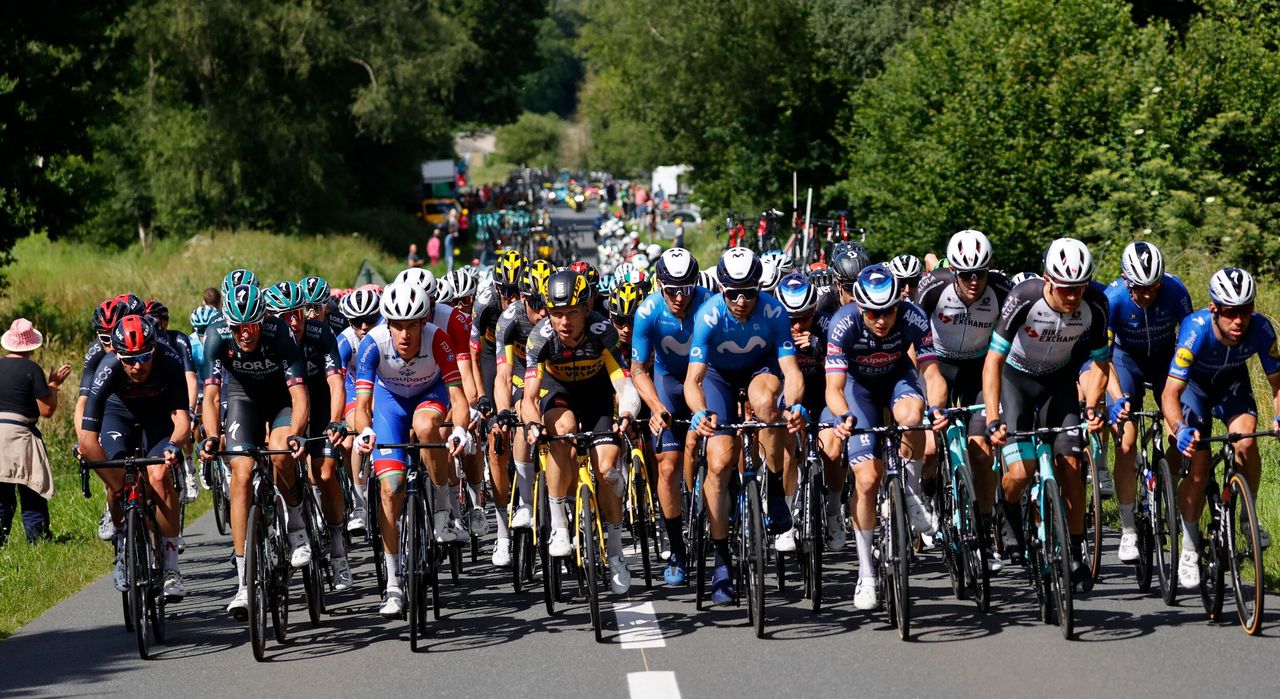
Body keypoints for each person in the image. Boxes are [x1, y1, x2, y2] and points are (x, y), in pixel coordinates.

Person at [985, 238, 1110, 587]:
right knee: (1021, 473)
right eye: (1065, 289)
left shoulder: (1096, 304)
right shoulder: (1024, 297)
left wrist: (1093, 405)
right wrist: (994, 418)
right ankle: (1007, 509)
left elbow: (1101, 365)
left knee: (1071, 465)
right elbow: (993, 361)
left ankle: (1074, 548)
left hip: (1059, 384)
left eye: (1079, 288)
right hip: (1017, 382)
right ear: (1047, 279)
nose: (1073, 297)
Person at [685, 247, 806, 605]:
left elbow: (792, 372)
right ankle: (721, 559)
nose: (741, 301)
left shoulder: (773, 311)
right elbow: (693, 380)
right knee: (720, 461)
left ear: (759, 288)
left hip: (760, 369)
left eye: (749, 292)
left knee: (768, 404)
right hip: (719, 377)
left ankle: (773, 486)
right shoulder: (708, 316)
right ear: (722, 289)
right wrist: (699, 412)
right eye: (733, 293)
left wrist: (795, 403)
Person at [824, 265, 948, 610]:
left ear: (899, 305)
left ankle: (911, 490)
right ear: (860, 308)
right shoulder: (843, 324)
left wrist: (936, 407)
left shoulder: (914, 317)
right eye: (873, 313)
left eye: (889, 311)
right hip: (858, 389)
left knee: (914, 415)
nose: (882, 320)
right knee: (867, 481)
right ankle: (866, 574)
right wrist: (841, 415)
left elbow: (932, 373)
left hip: (897, 378)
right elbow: (834, 388)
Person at [351, 282, 471, 617]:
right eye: (398, 326)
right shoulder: (372, 343)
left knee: (426, 427)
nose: (405, 334)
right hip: (389, 403)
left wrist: (460, 429)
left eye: (412, 325)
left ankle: (444, 510)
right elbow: (362, 406)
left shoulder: (438, 339)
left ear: (423, 322)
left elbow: (459, 400)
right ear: (387, 323)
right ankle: (392, 585)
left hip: (430, 395)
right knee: (391, 488)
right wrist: (364, 432)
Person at [522, 270, 640, 595]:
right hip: (558, 393)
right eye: (557, 313)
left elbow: (624, 384)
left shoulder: (603, 332)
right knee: (561, 431)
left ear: (586, 309)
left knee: (607, 469)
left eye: (571, 312)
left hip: (597, 395)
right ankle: (559, 526)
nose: (564, 321)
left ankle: (615, 554)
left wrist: (628, 412)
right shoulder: (539, 337)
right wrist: (532, 424)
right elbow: (529, 397)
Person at [1162, 268, 1280, 588]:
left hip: (1231, 385)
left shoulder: (1262, 329)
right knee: (1198, 468)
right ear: (1214, 308)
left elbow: (1277, 385)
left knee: (1246, 443)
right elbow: (1170, 393)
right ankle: (1188, 548)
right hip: (1194, 389)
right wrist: (1179, 427)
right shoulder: (1194, 331)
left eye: (1245, 310)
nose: (1239, 320)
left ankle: (1247, 518)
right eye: (1230, 313)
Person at [198, 283, 310, 618]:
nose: (244, 334)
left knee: (279, 451)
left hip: (280, 402)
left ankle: (295, 523)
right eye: (237, 328)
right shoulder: (217, 336)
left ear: (262, 319)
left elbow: (300, 396)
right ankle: (244, 585)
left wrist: (298, 434)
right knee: (241, 474)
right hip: (242, 400)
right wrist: (211, 435)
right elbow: (212, 397)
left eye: (250, 326)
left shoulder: (279, 334)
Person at [80, 315, 191, 599]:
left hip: (157, 419)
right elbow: (87, 439)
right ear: (117, 354)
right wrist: (116, 485)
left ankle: (170, 567)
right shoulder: (107, 368)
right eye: (129, 359)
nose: (137, 365)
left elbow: (181, 419)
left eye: (143, 357)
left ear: (153, 349)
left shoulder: (169, 358)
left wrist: (176, 446)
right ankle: (122, 544)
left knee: (159, 475)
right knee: (118, 481)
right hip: (117, 417)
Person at [1103, 242, 1193, 565]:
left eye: (1152, 287)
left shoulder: (1176, 292)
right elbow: (1104, 361)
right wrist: (1116, 400)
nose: (1146, 295)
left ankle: (1164, 477)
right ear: (1126, 281)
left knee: (1181, 435)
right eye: (1139, 289)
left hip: (1165, 360)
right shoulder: (1112, 299)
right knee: (1126, 443)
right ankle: (1128, 530)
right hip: (1125, 362)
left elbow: (1190, 342)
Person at [0, 319, 70, 546]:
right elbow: (46, 410)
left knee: (2, 497)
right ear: (31, 346)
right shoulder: (32, 369)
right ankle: (37, 541)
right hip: (20, 436)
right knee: (31, 491)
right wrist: (54, 385)